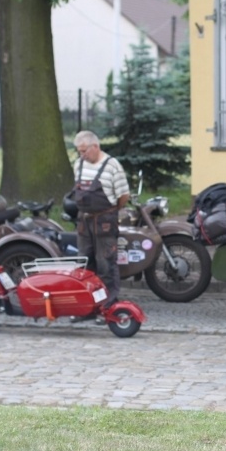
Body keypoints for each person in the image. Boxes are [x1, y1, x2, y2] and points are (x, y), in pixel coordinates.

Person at [71, 130, 130, 321]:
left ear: (95, 147)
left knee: (106, 264)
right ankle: (86, 307)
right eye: (79, 151)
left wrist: (110, 211)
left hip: (105, 222)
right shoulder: (78, 165)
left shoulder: (113, 166)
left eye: (84, 151)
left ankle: (108, 306)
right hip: (84, 222)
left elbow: (123, 196)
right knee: (85, 265)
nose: (82, 155)